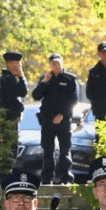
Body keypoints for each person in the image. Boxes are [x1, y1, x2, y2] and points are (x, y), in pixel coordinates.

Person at [31, 53, 78, 184]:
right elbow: (35, 96)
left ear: (61, 63)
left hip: (63, 120)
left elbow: (73, 100)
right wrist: (44, 82)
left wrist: (62, 114)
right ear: (49, 65)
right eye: (52, 63)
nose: (55, 66)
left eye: (57, 63)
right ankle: (47, 179)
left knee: (65, 150)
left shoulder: (69, 79)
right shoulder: (45, 79)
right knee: (47, 151)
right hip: (47, 120)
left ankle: (66, 178)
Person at [0, 51, 27, 121]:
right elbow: (23, 92)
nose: (19, 66)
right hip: (10, 115)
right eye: (17, 63)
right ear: (9, 64)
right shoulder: (9, 78)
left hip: (4, 114)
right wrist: (21, 77)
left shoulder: (2, 76)